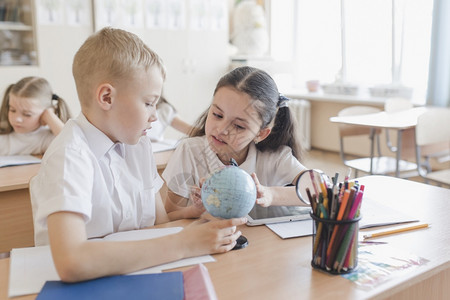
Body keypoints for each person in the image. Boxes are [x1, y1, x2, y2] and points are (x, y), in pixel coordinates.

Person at [30, 27, 246, 283]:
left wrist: (192, 214)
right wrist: (184, 244)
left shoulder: (138, 145)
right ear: (107, 97)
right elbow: (71, 262)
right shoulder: (69, 155)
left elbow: (156, 222)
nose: (155, 115)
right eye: (149, 102)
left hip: (136, 276)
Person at [162, 66, 308, 220]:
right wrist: (195, 210)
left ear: (261, 133)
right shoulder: (189, 151)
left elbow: (321, 189)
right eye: (218, 115)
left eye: (238, 126)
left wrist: (271, 194)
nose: (222, 129)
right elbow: (169, 216)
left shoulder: (275, 157)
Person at [0, 76, 71, 156]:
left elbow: (72, 146)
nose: (17, 119)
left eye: (27, 114)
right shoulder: (3, 136)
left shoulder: (46, 138)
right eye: (12, 110)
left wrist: (50, 116)